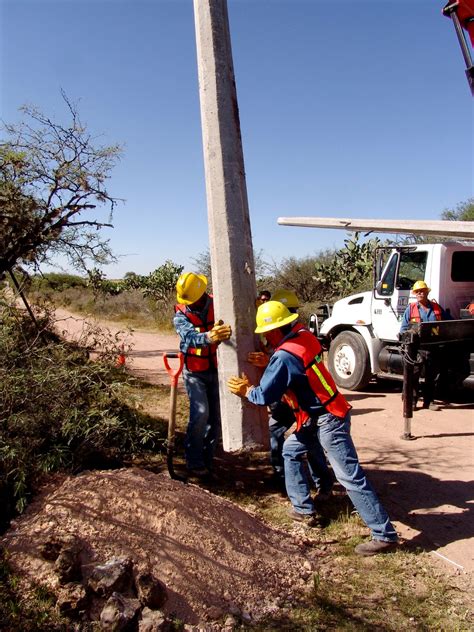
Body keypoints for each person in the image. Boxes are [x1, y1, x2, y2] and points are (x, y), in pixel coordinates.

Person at [228, 301, 398, 556]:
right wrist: (270, 359)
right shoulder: (305, 336)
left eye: (265, 333)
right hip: (318, 417)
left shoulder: (284, 357)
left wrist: (246, 390)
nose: (264, 337)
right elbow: (294, 367)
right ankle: (304, 509)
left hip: (329, 419)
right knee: (291, 450)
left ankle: (384, 534)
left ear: (274, 331)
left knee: (349, 476)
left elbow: (264, 395)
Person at [248, 289, 334, 500]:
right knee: (276, 432)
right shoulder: (290, 335)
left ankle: (322, 485)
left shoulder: (299, 336)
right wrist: (267, 361)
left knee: (310, 443)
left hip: (307, 403)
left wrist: (247, 389)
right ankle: (283, 476)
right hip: (291, 399)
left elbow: (286, 365)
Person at [174, 272, 231, 476]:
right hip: (194, 372)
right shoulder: (181, 315)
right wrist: (209, 336)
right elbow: (188, 338)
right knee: (200, 414)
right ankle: (194, 461)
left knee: (215, 418)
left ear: (202, 293)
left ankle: (208, 461)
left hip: (216, 369)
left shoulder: (219, 304)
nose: (190, 304)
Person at [400, 280, 450, 411]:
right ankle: (412, 401)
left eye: (422, 291)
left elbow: (448, 322)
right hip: (416, 348)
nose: (420, 293)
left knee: (431, 376)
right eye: (417, 291)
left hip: (433, 348)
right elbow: (403, 329)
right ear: (415, 294)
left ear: (427, 292)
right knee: (414, 375)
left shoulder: (437, 308)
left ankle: (429, 402)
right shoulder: (410, 309)